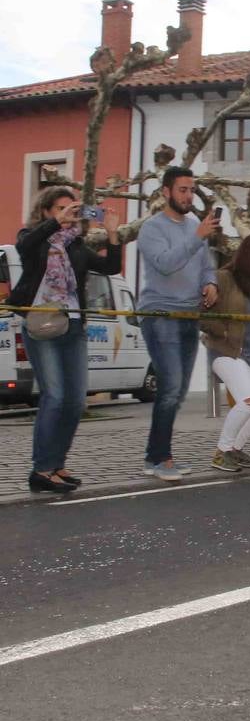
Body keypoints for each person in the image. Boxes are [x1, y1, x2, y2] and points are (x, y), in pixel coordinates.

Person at [12, 187, 122, 493]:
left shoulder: (75, 245)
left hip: (73, 327)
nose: (67, 214)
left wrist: (112, 234)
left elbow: (111, 268)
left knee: (75, 401)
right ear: (46, 212)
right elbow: (24, 246)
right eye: (59, 209)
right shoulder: (34, 239)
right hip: (41, 325)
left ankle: (56, 464)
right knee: (55, 396)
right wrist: (55, 223)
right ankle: (42, 469)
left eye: (71, 209)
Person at [137, 167, 218, 483]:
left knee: (178, 391)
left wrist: (211, 284)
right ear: (167, 192)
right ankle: (161, 458)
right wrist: (196, 239)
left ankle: (154, 456)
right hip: (160, 314)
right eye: (183, 190)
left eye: (192, 190)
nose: (188, 196)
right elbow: (166, 264)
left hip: (189, 315)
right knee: (170, 387)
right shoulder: (151, 229)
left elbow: (205, 266)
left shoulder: (196, 225)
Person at [200, 233, 250, 472]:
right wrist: (221, 331)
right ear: (248, 254)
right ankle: (221, 452)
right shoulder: (223, 278)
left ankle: (235, 448)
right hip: (226, 351)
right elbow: (201, 315)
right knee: (248, 400)